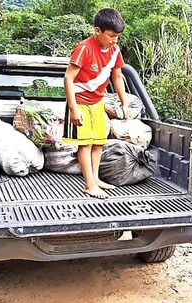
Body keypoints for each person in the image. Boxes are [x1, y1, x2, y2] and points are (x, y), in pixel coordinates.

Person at [63, 8, 129, 199]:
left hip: (98, 102)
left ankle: (96, 179)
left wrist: (123, 102)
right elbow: (68, 78)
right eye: (111, 35)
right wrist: (73, 108)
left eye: (117, 36)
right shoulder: (84, 48)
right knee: (85, 145)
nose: (115, 40)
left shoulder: (115, 50)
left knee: (99, 143)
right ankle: (89, 184)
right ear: (97, 31)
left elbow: (117, 78)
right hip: (80, 102)